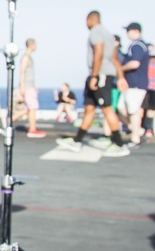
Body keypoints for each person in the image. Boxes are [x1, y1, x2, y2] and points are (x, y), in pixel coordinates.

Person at [56, 11, 130, 157]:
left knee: (107, 109)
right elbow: (115, 58)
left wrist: (94, 76)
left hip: (100, 75)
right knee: (89, 108)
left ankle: (119, 144)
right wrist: (121, 77)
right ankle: (77, 141)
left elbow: (99, 53)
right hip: (101, 74)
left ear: (90, 19)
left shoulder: (96, 32)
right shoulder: (109, 35)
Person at [116, 22, 149, 145]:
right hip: (131, 84)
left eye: (128, 31)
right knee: (121, 108)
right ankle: (137, 130)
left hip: (136, 83)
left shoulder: (137, 46)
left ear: (135, 31)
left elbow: (135, 63)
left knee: (132, 111)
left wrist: (121, 68)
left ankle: (136, 138)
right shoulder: (137, 45)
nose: (126, 33)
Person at [10, 38, 45, 137]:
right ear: (32, 45)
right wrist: (22, 86)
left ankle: (9, 120)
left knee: (28, 109)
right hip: (27, 86)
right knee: (32, 107)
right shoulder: (25, 57)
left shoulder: (28, 57)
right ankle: (32, 130)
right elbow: (22, 72)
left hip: (30, 86)